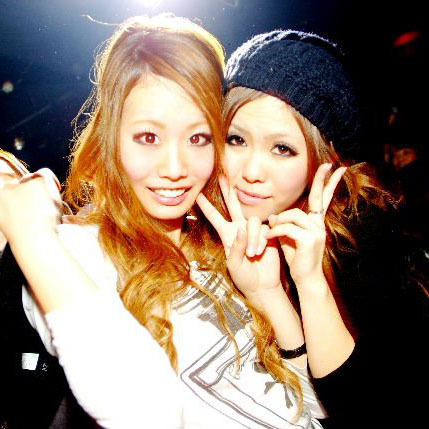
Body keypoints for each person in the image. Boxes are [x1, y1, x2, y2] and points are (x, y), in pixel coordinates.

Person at [0, 17, 326, 428]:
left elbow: (310, 407)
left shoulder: (223, 242)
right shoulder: (74, 251)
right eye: (149, 137)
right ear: (112, 136)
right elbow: (147, 415)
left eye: (198, 138)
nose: (175, 169)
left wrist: (271, 296)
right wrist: (30, 235)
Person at [211, 30, 428, 427]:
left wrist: (310, 284)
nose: (252, 171)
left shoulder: (360, 243)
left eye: (282, 149)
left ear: (322, 163)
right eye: (236, 139)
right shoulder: (189, 218)